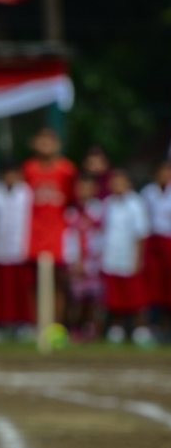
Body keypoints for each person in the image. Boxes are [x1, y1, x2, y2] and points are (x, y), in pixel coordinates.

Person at [22, 127, 77, 323]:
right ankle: (36, 323)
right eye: (41, 140)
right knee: (33, 282)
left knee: (59, 282)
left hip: (58, 233)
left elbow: (72, 200)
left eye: (50, 140)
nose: (46, 145)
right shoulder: (29, 169)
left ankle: (56, 323)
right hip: (33, 234)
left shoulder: (66, 170)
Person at [101, 169, 151, 344]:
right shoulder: (108, 203)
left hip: (129, 256)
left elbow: (141, 234)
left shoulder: (135, 204)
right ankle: (117, 328)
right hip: (111, 256)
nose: (117, 186)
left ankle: (141, 328)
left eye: (121, 182)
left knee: (135, 296)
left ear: (129, 184)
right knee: (115, 297)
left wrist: (138, 259)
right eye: (114, 183)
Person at [0, 163, 33, 336]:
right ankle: (1, 324)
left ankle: (23, 323)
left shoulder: (26, 193)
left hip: (20, 247)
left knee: (20, 289)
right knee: (2, 291)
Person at [63, 175, 104, 341]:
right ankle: (74, 328)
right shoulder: (71, 212)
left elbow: (102, 235)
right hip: (76, 261)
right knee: (75, 298)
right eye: (81, 188)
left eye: (88, 188)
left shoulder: (100, 210)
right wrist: (73, 260)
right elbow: (68, 237)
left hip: (94, 261)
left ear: (95, 190)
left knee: (93, 298)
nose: (84, 192)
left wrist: (98, 258)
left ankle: (92, 329)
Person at [141, 160, 171, 339]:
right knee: (153, 284)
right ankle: (154, 325)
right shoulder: (148, 193)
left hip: (169, 241)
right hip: (152, 242)